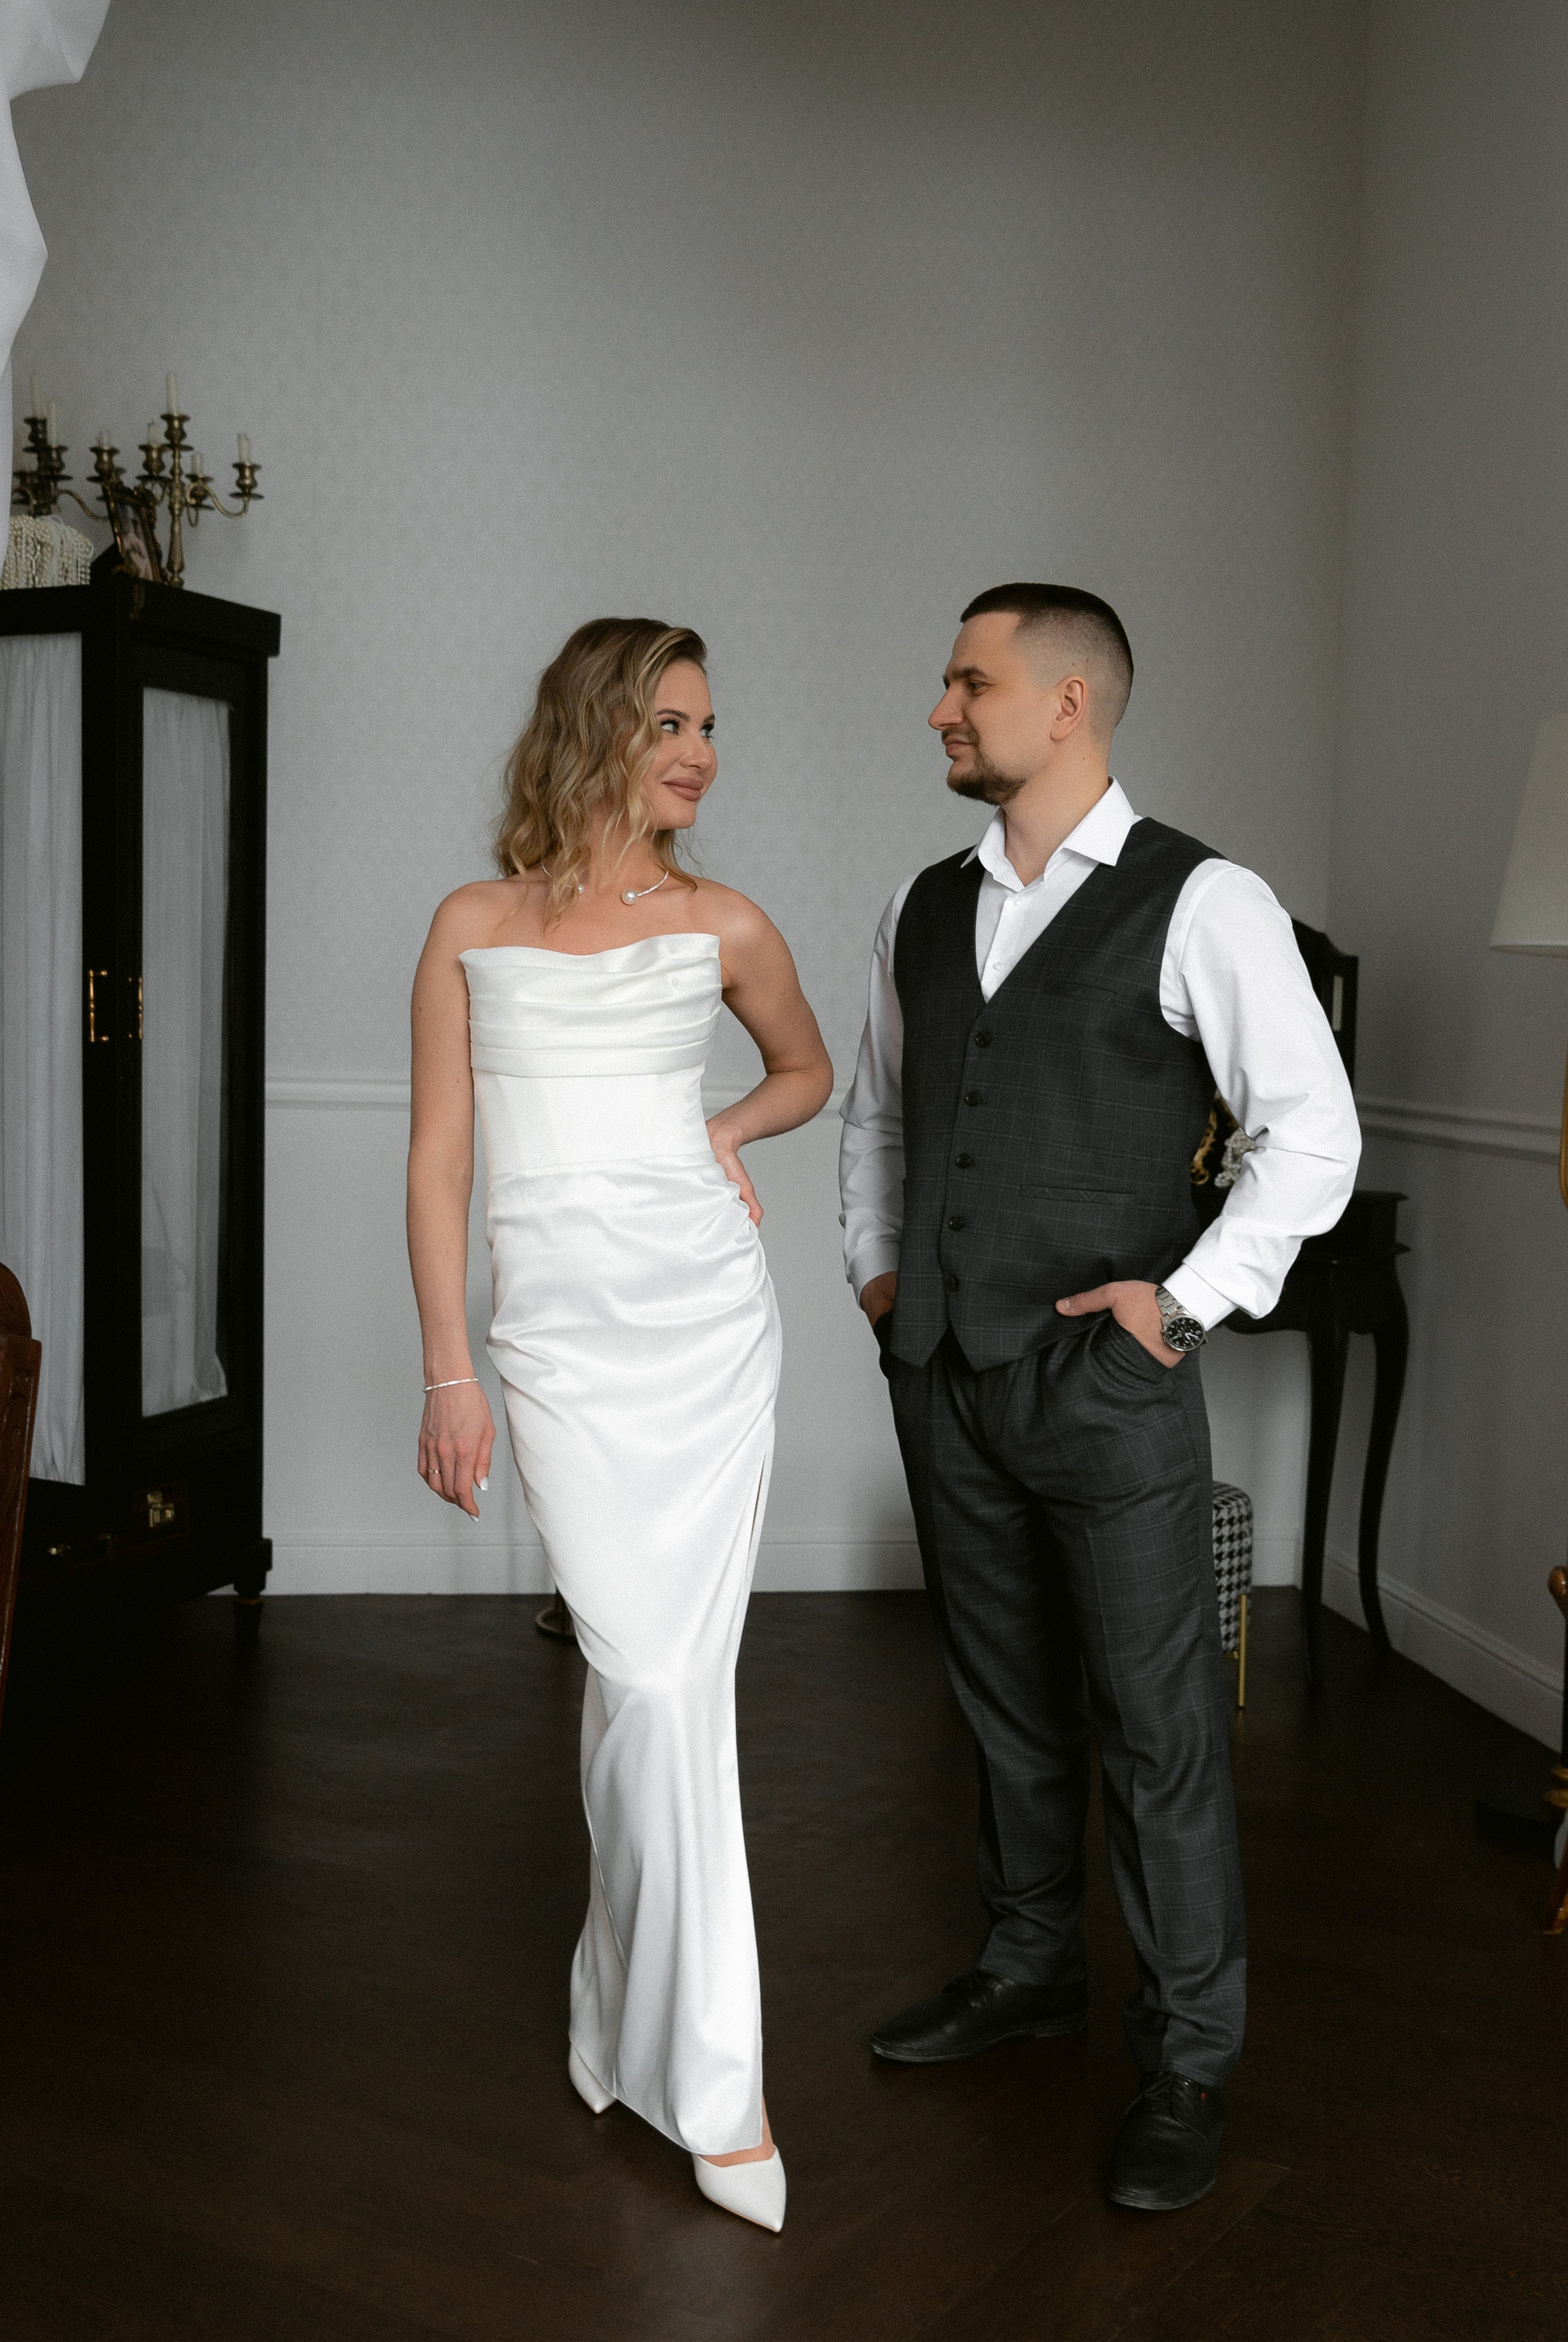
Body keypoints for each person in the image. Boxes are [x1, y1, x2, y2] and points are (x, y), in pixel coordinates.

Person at [840, 582, 1360, 2211]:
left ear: (1067, 704)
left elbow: (1315, 1136)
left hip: (1112, 1390)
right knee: (1002, 1706)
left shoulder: (1205, 900)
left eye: (969, 681)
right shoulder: (919, 907)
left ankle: (1189, 2060)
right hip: (944, 1376)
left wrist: (1179, 1307)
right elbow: (880, 1120)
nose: (940, 707)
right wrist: (879, 1278)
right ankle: (1029, 1970)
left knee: (1157, 1732)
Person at [408, 617, 832, 2233]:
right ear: (592, 726)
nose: (702, 753)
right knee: (635, 1675)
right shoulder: (471, 923)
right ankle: (617, 2011)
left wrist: (723, 1128)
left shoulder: (725, 921)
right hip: (559, 1342)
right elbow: (441, 1160)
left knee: (666, 1689)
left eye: (710, 725)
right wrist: (450, 1370)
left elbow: (806, 1069)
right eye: (670, 721)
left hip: (705, 1324)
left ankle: (712, 2079)